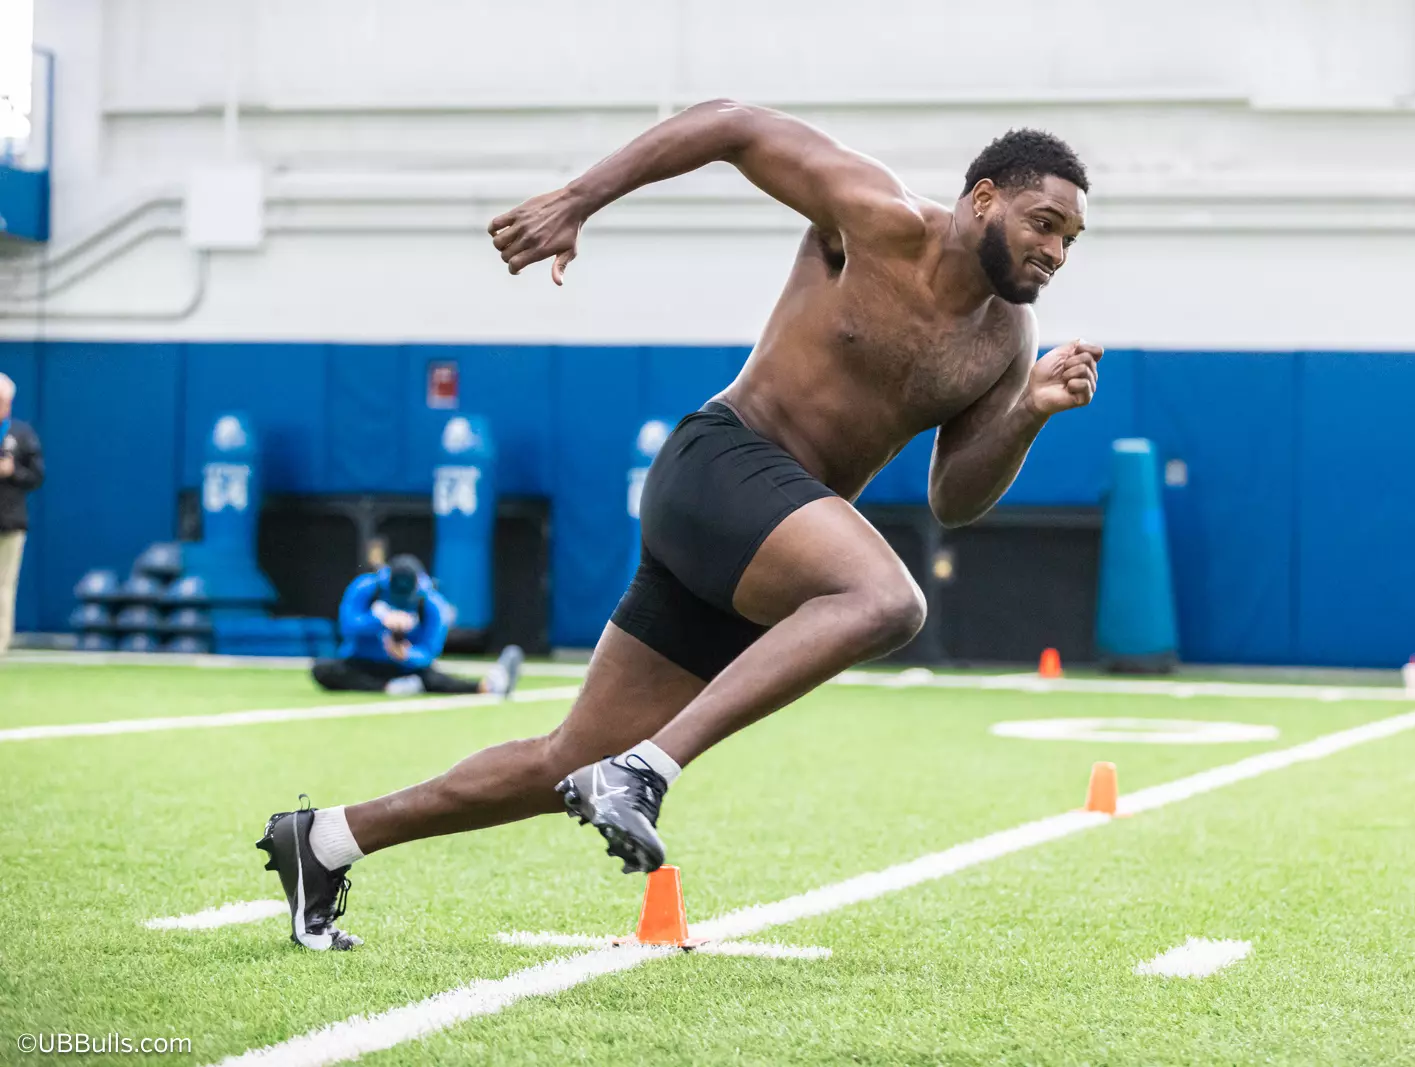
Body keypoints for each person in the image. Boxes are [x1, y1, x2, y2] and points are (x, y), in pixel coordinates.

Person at [257, 101, 1100, 950]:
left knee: (564, 762)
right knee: (887, 600)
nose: (1056, 252)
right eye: (1044, 223)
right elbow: (733, 124)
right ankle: (645, 770)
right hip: (717, 467)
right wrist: (579, 199)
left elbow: (954, 498)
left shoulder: (1005, 342)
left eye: (1070, 239)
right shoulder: (877, 216)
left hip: (763, 543)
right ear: (983, 198)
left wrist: (1027, 412)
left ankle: (324, 840)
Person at [310, 555, 524, 699]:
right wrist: (380, 621)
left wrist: (407, 655)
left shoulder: (432, 605)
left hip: (406, 668)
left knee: (434, 679)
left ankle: (489, 686)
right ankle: (390, 687)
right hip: (361, 663)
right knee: (324, 669)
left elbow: (429, 652)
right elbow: (347, 626)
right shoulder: (365, 587)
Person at [0, 373, 45, 656]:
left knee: (4, 585)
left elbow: (37, 476)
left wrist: (12, 471)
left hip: (10, 521)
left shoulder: (21, 433)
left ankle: (0, 643)